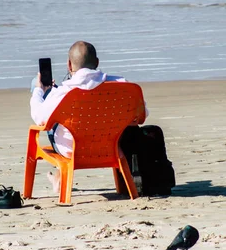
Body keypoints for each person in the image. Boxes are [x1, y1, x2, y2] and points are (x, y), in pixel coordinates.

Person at [30, 41, 146, 191]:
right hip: (110, 145)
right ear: (97, 62)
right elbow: (141, 116)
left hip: (71, 148)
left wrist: (39, 91)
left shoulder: (61, 93)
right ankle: (59, 177)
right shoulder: (123, 85)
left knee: (39, 89)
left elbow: (39, 118)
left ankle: (60, 177)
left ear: (69, 65)